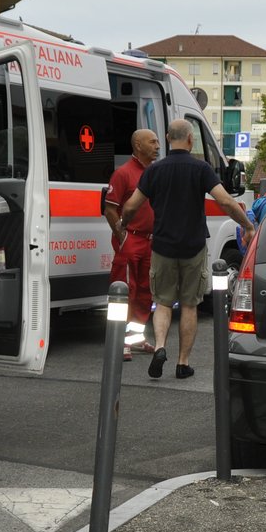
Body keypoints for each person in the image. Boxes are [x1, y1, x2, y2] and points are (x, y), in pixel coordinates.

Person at [117, 119, 254, 380]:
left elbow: (132, 205)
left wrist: (123, 223)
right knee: (189, 305)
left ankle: (159, 347)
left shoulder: (154, 171)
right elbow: (224, 200)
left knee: (163, 302)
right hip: (193, 247)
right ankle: (183, 363)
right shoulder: (200, 169)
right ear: (191, 140)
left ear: (168, 138)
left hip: (162, 246)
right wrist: (247, 225)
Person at [104, 128, 160, 361]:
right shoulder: (123, 173)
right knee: (127, 290)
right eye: (152, 141)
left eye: (158, 142)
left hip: (149, 240)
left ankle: (135, 338)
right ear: (138, 145)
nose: (158, 145)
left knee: (146, 291)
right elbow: (110, 209)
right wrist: (122, 235)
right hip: (132, 239)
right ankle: (119, 340)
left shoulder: (155, 172)